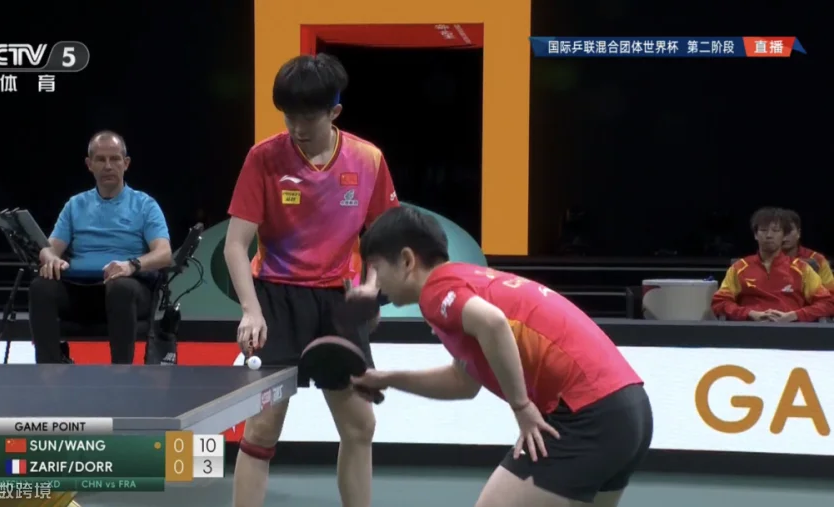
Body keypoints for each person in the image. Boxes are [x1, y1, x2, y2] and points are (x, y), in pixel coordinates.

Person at [351, 207, 652, 507]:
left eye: (376, 268)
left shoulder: (437, 291)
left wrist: (521, 407)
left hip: (587, 414)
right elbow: (462, 382)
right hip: (630, 410)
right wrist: (385, 378)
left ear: (407, 260)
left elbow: (493, 323)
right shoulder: (468, 282)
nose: (374, 284)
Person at [224, 54, 399, 507]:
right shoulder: (264, 158)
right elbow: (235, 244)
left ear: (334, 111)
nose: (297, 127)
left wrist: (370, 289)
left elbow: (384, 239)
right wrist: (250, 310)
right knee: (262, 427)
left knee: (361, 425)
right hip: (276, 299)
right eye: (289, 116)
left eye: (308, 117)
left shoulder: (368, 159)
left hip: (338, 304)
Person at [29, 131, 173, 364]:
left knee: (120, 287)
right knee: (40, 287)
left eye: (115, 159)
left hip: (127, 290)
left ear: (126, 163)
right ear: (89, 164)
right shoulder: (75, 205)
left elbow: (164, 253)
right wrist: (50, 258)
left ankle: (121, 373)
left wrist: (131, 265)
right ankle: (49, 370)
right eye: (101, 159)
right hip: (80, 290)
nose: (108, 166)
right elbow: (48, 248)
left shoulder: (145, 205)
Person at [712, 207, 834, 321]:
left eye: (776, 231)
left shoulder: (802, 269)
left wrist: (793, 315)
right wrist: (750, 313)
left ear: (783, 236)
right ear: (755, 235)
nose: (769, 235)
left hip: (791, 331)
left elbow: (828, 303)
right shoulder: (739, 267)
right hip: (749, 330)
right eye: (763, 230)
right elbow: (720, 302)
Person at [781, 209, 834, 290]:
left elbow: (831, 294)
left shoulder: (817, 259)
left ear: (798, 233)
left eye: (789, 230)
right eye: (779, 231)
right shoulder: (765, 260)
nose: (784, 236)